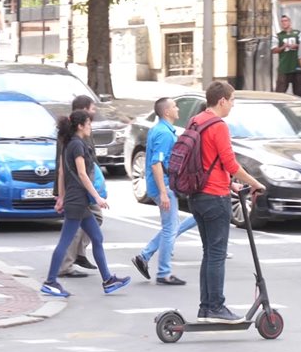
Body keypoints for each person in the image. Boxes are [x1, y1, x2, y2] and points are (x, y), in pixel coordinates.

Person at [189, 81, 265, 323]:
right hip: (214, 197)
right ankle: (215, 307)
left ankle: (206, 307)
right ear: (221, 100)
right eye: (232, 100)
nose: (233, 105)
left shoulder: (197, 120)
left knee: (208, 252)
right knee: (217, 253)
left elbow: (206, 161)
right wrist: (255, 183)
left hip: (197, 194)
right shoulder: (218, 125)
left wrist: (229, 183)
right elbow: (230, 164)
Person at [41, 110, 130, 297]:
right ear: (80, 126)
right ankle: (50, 281)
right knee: (65, 243)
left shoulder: (68, 143)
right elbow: (81, 174)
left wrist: (61, 197)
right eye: (89, 123)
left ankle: (108, 280)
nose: (91, 126)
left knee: (97, 238)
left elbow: (63, 173)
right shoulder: (77, 145)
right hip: (78, 201)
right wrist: (97, 197)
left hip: (76, 200)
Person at [131, 98, 187, 285]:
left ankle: (144, 257)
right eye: (174, 106)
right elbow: (156, 163)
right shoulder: (164, 133)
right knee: (171, 228)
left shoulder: (159, 129)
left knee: (170, 227)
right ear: (166, 112)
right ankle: (163, 273)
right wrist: (163, 192)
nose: (177, 108)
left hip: (161, 185)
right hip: (163, 186)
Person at [55, 95, 100, 278]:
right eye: (92, 108)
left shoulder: (81, 132)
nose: (95, 112)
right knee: (74, 229)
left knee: (92, 221)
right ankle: (63, 265)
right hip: (77, 190)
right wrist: (61, 194)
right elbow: (64, 169)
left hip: (82, 188)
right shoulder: (72, 137)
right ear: (83, 110)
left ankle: (77, 255)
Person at [272, 15, 301, 97]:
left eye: (286, 20)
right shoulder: (278, 36)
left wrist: (296, 46)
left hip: (296, 67)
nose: (284, 23)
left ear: (289, 22)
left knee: (299, 92)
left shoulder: (298, 33)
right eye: (282, 21)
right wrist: (283, 47)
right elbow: (273, 50)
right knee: (279, 93)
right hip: (284, 68)